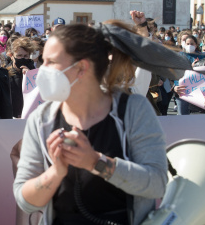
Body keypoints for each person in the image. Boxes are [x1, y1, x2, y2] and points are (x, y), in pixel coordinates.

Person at [14, 23, 168, 225]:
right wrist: (55, 172)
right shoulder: (42, 118)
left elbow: (157, 184)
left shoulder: (133, 110)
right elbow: (25, 201)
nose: (42, 70)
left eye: (51, 62)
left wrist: (95, 162)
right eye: (43, 61)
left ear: (81, 67)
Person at [7, 37, 36, 118]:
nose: (22, 58)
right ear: (11, 56)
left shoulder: (34, 74)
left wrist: (30, 75)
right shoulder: (5, 73)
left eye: (26, 56)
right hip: (11, 117)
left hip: (29, 116)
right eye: (19, 55)